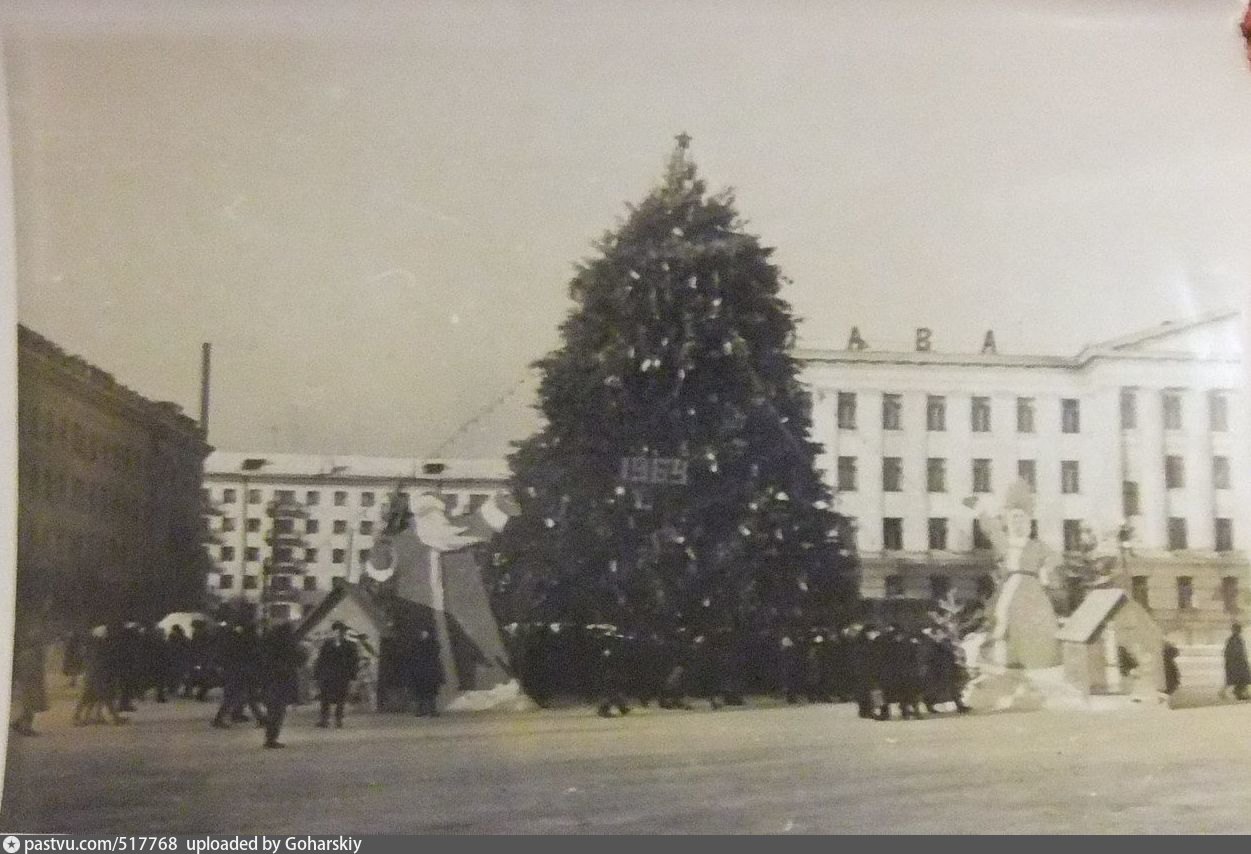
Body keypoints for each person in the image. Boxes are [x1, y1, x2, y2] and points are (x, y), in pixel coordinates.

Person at [260, 623, 307, 749]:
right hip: (284, 679)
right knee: (279, 711)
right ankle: (272, 737)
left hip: (271, 679)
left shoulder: (268, 644)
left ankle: (270, 736)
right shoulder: (289, 644)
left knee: (273, 709)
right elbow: (300, 658)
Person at [313, 621, 359, 728]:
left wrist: (353, 675)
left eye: (341, 631)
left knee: (341, 698)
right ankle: (324, 719)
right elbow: (321, 659)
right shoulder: (327, 644)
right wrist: (317, 674)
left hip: (342, 675)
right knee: (325, 697)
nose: (339, 633)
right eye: (337, 631)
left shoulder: (350, 645)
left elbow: (353, 661)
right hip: (328, 675)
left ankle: (338, 719)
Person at [11, 626, 48, 736]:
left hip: (28, 682)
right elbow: (31, 670)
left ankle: (17, 723)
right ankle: (26, 728)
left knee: (29, 706)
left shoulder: (27, 654)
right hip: (30, 683)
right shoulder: (31, 654)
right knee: (30, 707)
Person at [410, 628, 444, 717]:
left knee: (423, 693)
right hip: (429, 671)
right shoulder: (433, 645)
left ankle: (423, 711)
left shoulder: (418, 645)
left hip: (423, 671)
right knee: (429, 692)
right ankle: (429, 711)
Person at [1225, 623, 1250, 701]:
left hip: (1238, 663)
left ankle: (1240, 693)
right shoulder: (1234, 639)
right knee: (1241, 679)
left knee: (1242, 680)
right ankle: (1239, 693)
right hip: (1237, 664)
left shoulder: (1236, 639)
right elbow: (1235, 652)